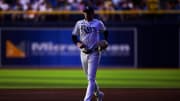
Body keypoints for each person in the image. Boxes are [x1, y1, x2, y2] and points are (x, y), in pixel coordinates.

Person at [72, 6, 109, 101]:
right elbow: (74, 36)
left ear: (92, 13)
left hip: (95, 53)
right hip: (83, 53)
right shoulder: (79, 23)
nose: (86, 14)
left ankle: (87, 100)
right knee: (88, 77)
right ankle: (99, 94)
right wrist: (78, 43)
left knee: (91, 79)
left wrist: (105, 41)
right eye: (85, 12)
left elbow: (105, 31)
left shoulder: (98, 23)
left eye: (88, 12)